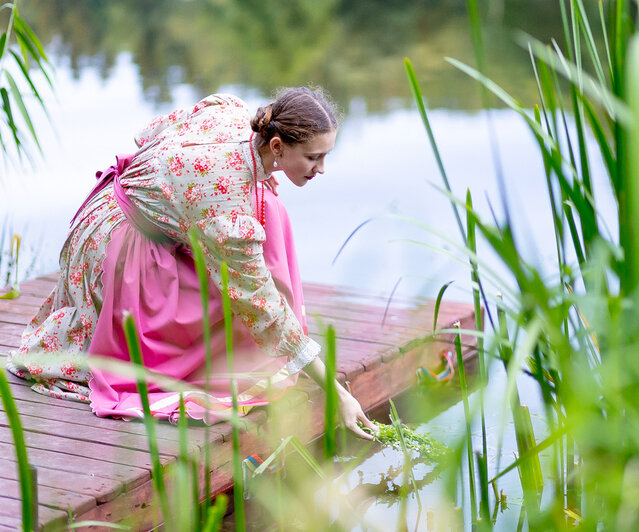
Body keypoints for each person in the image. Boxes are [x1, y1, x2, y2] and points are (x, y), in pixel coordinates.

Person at [6, 88, 377, 439]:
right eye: (314, 157)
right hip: (118, 248)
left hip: (110, 211)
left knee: (266, 209)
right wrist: (336, 393)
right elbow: (261, 303)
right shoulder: (225, 203)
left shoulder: (232, 113)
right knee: (248, 289)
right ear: (277, 146)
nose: (322, 168)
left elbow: (148, 134)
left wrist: (233, 182)